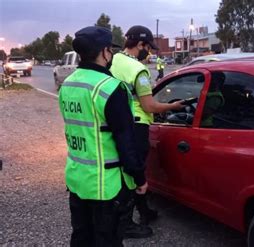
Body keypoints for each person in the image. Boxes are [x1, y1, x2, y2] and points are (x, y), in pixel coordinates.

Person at [59, 26, 147, 246]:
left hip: (78, 179)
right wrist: (139, 178)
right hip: (107, 186)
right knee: (107, 240)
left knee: (81, 237)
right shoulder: (110, 88)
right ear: (105, 52)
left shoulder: (68, 84)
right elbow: (126, 141)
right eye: (111, 50)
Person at [110, 25, 184, 233]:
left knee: (126, 170)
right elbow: (149, 106)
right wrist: (173, 106)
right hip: (137, 125)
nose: (149, 52)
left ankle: (144, 212)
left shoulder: (114, 61)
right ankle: (127, 222)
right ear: (139, 44)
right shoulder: (139, 71)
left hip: (116, 122)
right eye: (148, 48)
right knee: (136, 170)